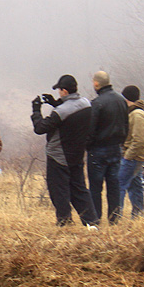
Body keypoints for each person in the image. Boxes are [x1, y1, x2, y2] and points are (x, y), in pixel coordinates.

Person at [32, 74, 99, 228]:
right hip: (77, 155)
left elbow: (40, 128)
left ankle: (65, 222)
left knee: (59, 191)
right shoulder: (86, 104)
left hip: (58, 156)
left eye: (59, 90)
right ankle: (91, 222)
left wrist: (36, 110)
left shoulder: (61, 111)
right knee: (80, 190)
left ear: (65, 91)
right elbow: (69, 118)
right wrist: (56, 104)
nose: (59, 93)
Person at [87, 71, 128, 225]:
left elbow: (91, 130)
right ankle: (114, 219)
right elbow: (126, 125)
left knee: (95, 188)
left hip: (98, 150)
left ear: (97, 83)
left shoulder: (97, 103)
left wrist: (88, 146)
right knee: (114, 186)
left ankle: (95, 220)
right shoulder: (121, 100)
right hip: (116, 149)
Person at [118, 85, 144, 218]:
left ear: (126, 99)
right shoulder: (134, 113)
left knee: (119, 184)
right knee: (135, 185)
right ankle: (138, 214)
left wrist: (127, 157)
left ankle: (115, 216)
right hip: (135, 156)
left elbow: (139, 140)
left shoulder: (137, 115)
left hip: (133, 157)